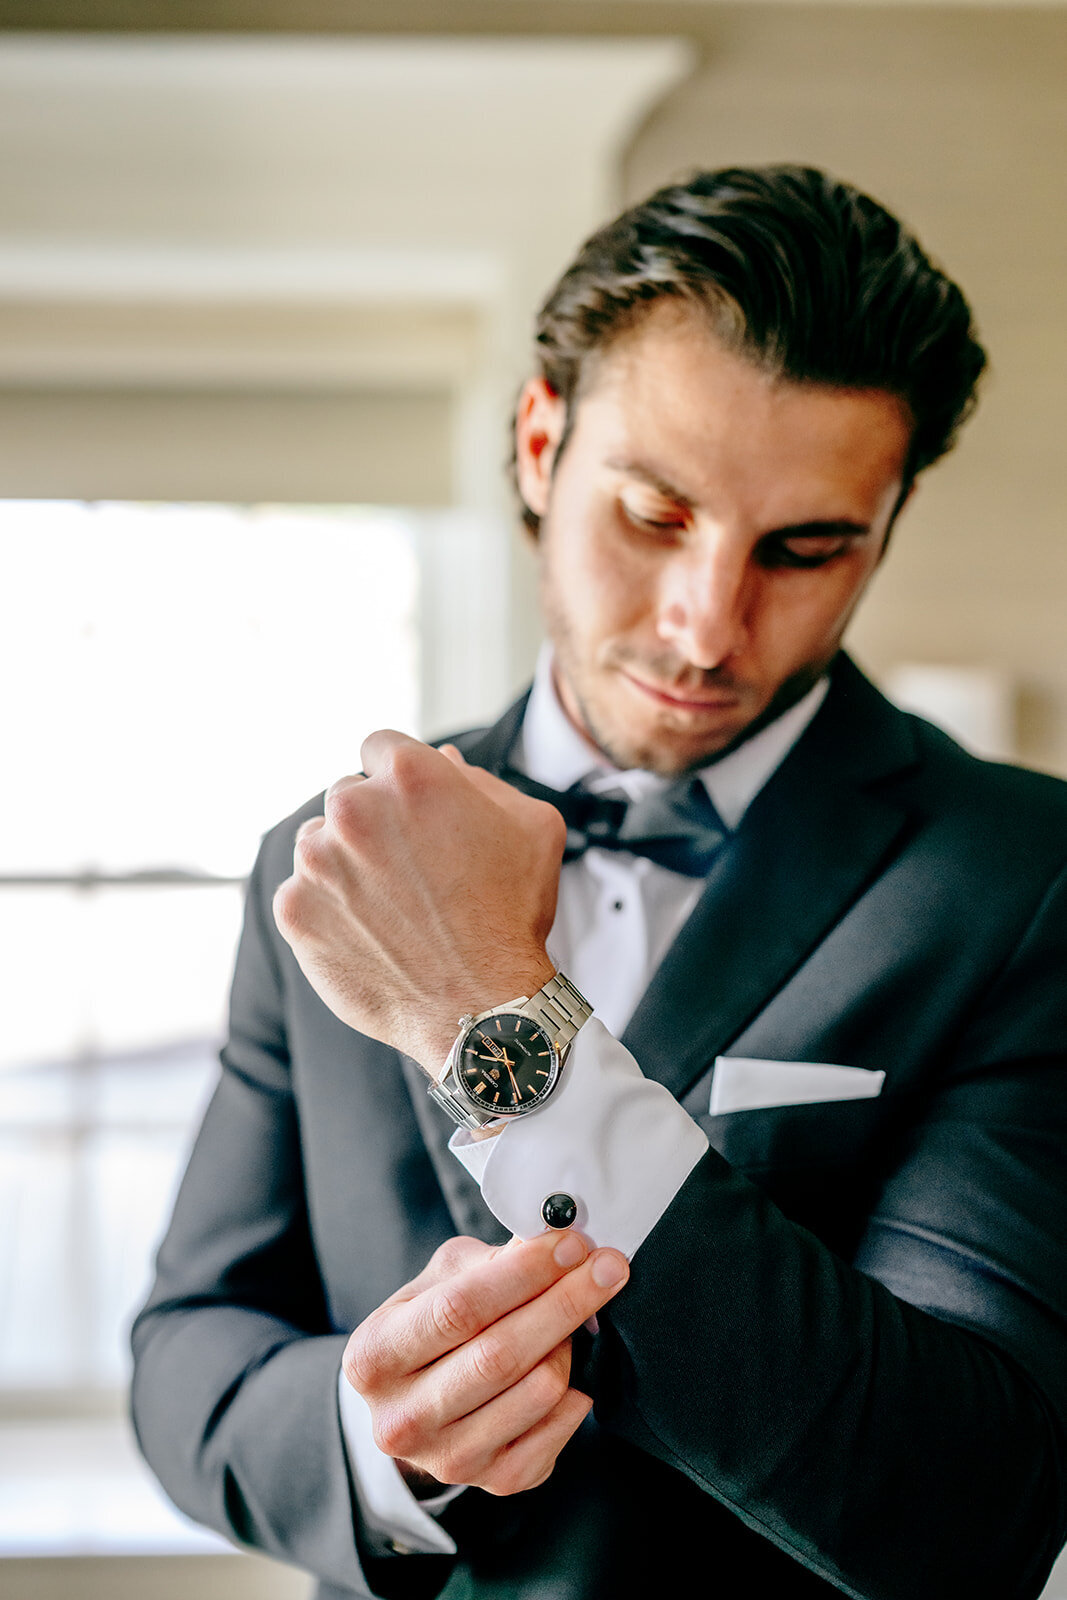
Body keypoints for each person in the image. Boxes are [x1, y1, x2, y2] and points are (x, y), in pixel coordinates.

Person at [131, 165, 1067, 1600]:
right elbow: (190, 1352)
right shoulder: (327, 861)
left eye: (806, 548)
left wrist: (494, 1017)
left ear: (887, 521)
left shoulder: (1023, 880)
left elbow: (965, 1511)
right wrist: (381, 1449)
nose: (708, 629)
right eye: (652, 513)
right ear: (538, 445)